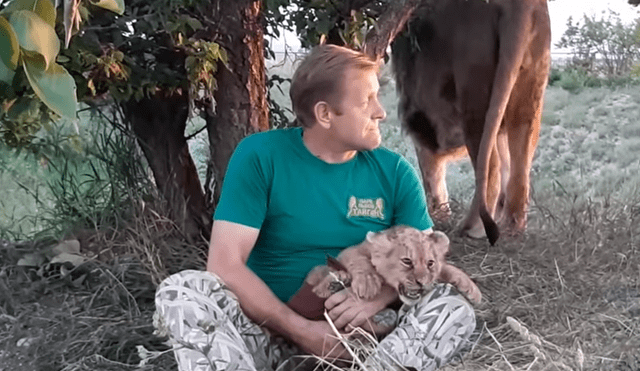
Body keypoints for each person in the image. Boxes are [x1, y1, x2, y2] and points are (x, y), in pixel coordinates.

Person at [154, 44, 477, 371]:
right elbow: (224, 265)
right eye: (367, 101)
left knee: (453, 305)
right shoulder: (261, 157)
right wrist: (304, 331)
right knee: (182, 291)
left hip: (366, 347)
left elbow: (426, 268)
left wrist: (374, 301)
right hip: (267, 336)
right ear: (325, 114)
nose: (380, 111)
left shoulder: (395, 173)